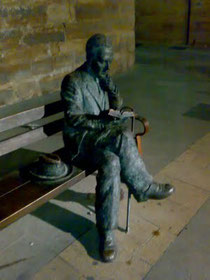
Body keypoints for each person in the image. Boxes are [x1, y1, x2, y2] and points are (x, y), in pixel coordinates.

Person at [60, 34, 174, 263]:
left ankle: (107, 233)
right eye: (103, 60)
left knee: (111, 162)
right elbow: (73, 118)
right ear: (90, 57)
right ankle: (144, 186)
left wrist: (111, 87)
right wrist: (103, 123)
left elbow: (117, 106)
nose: (108, 65)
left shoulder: (101, 77)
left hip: (102, 140)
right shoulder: (73, 81)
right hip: (81, 143)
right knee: (122, 136)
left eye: (109, 60)